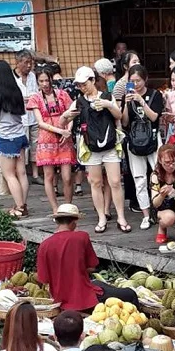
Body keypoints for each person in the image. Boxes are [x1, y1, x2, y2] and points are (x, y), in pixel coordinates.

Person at [36, 204, 138, 312]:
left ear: (56, 221)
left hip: (59, 299)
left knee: (98, 284)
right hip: (83, 298)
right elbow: (92, 267)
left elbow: (43, 279)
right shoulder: (81, 237)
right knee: (130, 293)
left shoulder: (44, 245)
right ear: (74, 222)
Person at [71, 65, 129, 233]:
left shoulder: (107, 96)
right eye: (79, 85)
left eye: (84, 84)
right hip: (91, 146)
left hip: (110, 144)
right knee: (95, 183)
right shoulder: (79, 101)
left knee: (115, 182)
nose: (82, 87)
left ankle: (121, 217)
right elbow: (64, 119)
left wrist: (107, 105)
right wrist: (67, 117)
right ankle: (101, 217)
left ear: (93, 80)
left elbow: (118, 116)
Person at [122, 64, 165, 229]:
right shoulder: (128, 96)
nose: (136, 84)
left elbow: (154, 117)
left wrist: (141, 101)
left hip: (153, 141)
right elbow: (125, 122)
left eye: (138, 80)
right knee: (139, 179)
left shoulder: (155, 95)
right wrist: (126, 104)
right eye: (132, 81)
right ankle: (146, 215)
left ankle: (161, 210)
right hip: (134, 142)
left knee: (159, 176)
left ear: (145, 79)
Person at [0, 60, 32, 218]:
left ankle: (20, 208)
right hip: (20, 136)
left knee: (9, 174)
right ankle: (22, 204)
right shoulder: (17, 92)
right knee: (22, 173)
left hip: (6, 139)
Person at [31, 68, 76, 212]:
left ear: (51, 79)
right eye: (41, 81)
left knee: (67, 176)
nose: (44, 84)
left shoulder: (63, 95)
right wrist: (60, 130)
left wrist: (68, 130)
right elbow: (40, 122)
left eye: (46, 80)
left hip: (64, 137)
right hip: (46, 139)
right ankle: (55, 208)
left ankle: (68, 206)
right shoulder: (36, 98)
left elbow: (72, 113)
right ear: (37, 82)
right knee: (49, 176)